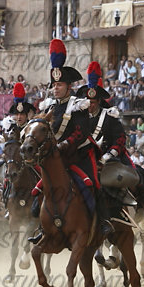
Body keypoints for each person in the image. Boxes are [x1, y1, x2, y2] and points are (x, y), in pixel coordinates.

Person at [29, 39, 112, 243]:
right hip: (57, 158)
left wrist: (64, 145)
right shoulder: (48, 108)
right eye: (54, 85)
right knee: (38, 189)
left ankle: (103, 221)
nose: (56, 88)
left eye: (60, 85)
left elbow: (80, 133)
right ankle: (43, 227)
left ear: (68, 86)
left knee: (92, 184)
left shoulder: (79, 106)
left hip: (79, 155)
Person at [77, 62, 144, 229]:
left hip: (112, 158)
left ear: (99, 101)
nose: (90, 104)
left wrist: (109, 155)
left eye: (93, 101)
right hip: (89, 158)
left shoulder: (109, 116)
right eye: (88, 101)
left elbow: (121, 139)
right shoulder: (80, 118)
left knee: (135, 178)